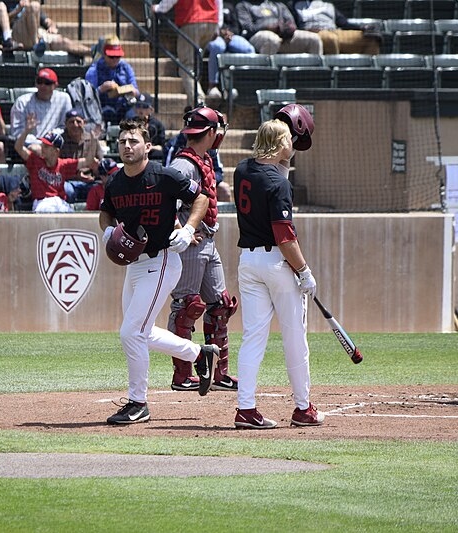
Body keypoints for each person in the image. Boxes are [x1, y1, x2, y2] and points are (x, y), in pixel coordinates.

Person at [99, 117, 218, 425]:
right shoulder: (114, 181)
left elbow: (201, 196)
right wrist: (107, 231)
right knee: (144, 333)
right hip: (135, 265)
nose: (127, 145)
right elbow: (106, 212)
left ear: (147, 146)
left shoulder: (164, 175)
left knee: (131, 332)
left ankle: (139, 403)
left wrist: (189, 227)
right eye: (123, 140)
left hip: (162, 259)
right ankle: (199, 354)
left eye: (133, 141)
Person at [232, 105, 322, 429]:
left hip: (248, 262)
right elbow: (286, 238)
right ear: (279, 144)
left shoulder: (242, 169)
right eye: (288, 142)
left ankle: (246, 408)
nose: (292, 146)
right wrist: (304, 271)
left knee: (253, 337)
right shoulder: (279, 184)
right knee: (294, 336)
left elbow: (267, 172)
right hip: (275, 263)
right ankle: (302, 408)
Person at [167, 106, 239, 393]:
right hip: (191, 244)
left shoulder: (205, 159)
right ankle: (182, 374)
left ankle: (219, 372)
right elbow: (164, 196)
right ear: (209, 132)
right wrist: (177, 228)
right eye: (216, 130)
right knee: (187, 307)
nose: (219, 134)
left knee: (220, 306)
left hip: (208, 241)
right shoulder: (184, 164)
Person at [14, 115, 97, 212]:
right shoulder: (35, 160)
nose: (42, 148)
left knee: (73, 217)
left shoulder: (63, 164)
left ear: (56, 151)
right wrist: (27, 131)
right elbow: (18, 148)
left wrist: (94, 141)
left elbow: (88, 161)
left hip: (60, 201)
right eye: (43, 145)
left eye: (46, 146)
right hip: (42, 202)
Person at [152, 0, 220, 105]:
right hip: (211, 22)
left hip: (192, 20)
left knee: (186, 66)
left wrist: (159, 8)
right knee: (195, 64)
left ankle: (199, 101)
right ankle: (193, 104)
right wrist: (218, 26)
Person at [0, 0, 92, 57]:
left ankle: (92, 52)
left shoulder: (28, 4)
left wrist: (51, 26)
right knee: (34, 5)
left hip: (36, 34)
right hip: (15, 37)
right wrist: (17, 11)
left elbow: (47, 21)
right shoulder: (5, 3)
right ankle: (36, 44)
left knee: (62, 41)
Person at [9, 68, 72, 147]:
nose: (42, 86)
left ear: (55, 85)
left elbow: (65, 127)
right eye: (39, 82)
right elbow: (16, 132)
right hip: (28, 145)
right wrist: (38, 143)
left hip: (54, 144)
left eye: (47, 83)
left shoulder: (63, 99)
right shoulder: (22, 102)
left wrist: (50, 139)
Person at [235, 0, 323, 56]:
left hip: (283, 35)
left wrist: (285, 29)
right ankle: (267, 79)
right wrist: (267, 27)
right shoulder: (243, 5)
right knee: (272, 40)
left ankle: (314, 79)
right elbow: (248, 28)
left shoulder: (278, 5)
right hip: (260, 36)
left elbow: (291, 22)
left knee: (314, 39)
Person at [292, 0, 381, 55]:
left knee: (372, 38)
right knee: (330, 38)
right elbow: (293, 27)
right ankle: (333, 77)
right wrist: (307, 30)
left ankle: (364, 78)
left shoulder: (327, 4)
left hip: (335, 31)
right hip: (315, 33)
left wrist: (362, 28)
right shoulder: (294, 5)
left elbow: (344, 23)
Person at [85, 37, 140, 125]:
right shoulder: (94, 70)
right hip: (102, 107)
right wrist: (101, 89)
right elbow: (87, 96)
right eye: (111, 56)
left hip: (124, 105)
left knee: (132, 117)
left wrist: (132, 91)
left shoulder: (125, 67)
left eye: (117, 56)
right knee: (109, 113)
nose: (115, 59)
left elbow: (137, 91)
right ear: (104, 55)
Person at [60, 109, 104, 202]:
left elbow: (102, 165)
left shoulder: (92, 139)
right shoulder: (60, 142)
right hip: (68, 181)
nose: (75, 125)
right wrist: (76, 175)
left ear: (84, 123)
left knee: (101, 190)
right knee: (67, 190)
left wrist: (96, 169)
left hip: (90, 181)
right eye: (71, 122)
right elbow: (56, 168)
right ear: (65, 124)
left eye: (78, 122)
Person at [206, 24, 254, 100]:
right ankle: (212, 86)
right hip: (214, 36)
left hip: (232, 35)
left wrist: (230, 32)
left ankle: (241, 87)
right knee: (218, 47)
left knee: (249, 49)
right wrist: (221, 33)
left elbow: (236, 22)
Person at [124, 93, 167, 160]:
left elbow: (162, 147)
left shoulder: (157, 125)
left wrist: (148, 147)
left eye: (144, 106)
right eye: (138, 106)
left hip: (152, 155)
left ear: (151, 109)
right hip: (134, 153)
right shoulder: (130, 122)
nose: (141, 109)